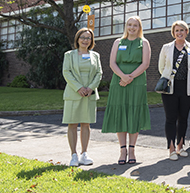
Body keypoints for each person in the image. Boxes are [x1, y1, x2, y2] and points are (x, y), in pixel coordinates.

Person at [101, 16, 152, 165]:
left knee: (133, 113)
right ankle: (122, 150)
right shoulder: (118, 42)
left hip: (137, 82)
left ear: (139, 27)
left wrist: (130, 77)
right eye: (129, 25)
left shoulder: (144, 42)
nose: (132, 28)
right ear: (126, 26)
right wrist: (123, 77)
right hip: (118, 81)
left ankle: (132, 150)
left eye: (135, 25)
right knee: (120, 113)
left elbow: (145, 63)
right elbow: (112, 63)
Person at [158, 20, 190, 161]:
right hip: (170, 88)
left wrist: (187, 79)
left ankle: (180, 146)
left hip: (187, 88)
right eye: (177, 30)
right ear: (173, 33)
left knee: (183, 118)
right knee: (170, 118)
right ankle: (171, 148)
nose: (179, 33)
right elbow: (161, 67)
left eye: (182, 30)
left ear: (186, 32)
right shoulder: (166, 47)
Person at [62, 28, 103, 167]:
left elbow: (99, 73)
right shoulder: (69, 55)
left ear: (91, 41)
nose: (85, 40)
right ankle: (73, 155)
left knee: (86, 124)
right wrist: (79, 88)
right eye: (83, 37)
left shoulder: (95, 55)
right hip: (74, 94)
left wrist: (90, 88)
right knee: (72, 124)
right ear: (77, 39)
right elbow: (66, 72)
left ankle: (84, 154)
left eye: (88, 38)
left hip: (89, 94)